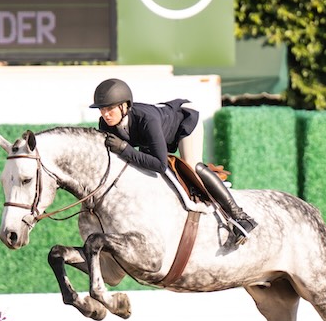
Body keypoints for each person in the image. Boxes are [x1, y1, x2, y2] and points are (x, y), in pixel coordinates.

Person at [90, 77, 257, 245]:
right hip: (154, 134)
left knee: (193, 166)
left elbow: (160, 165)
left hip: (184, 122)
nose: (105, 114)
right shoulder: (105, 124)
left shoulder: (147, 120)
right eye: (102, 109)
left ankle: (241, 217)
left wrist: (125, 149)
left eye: (110, 109)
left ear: (124, 106)